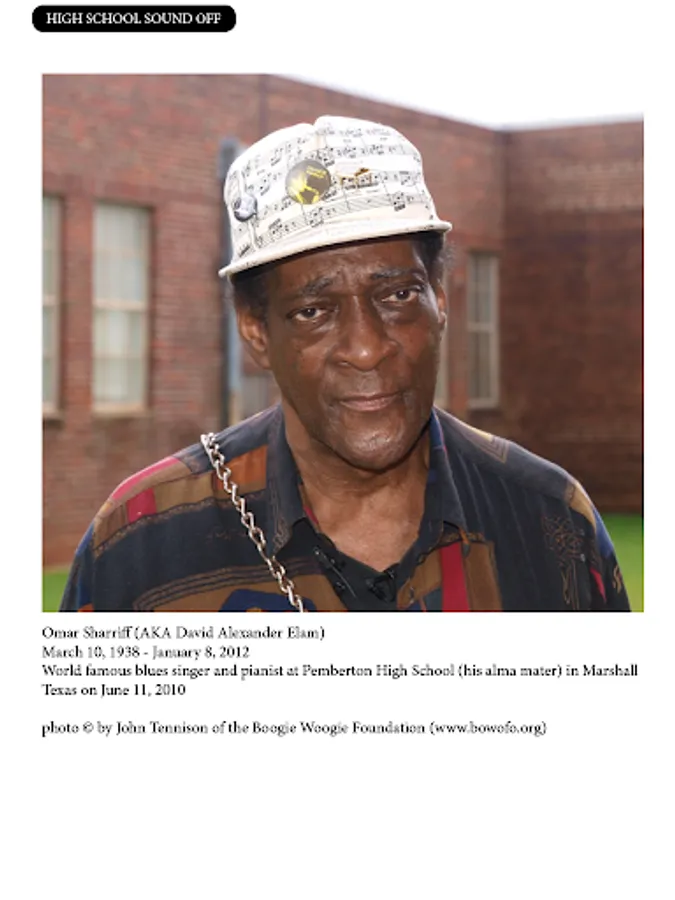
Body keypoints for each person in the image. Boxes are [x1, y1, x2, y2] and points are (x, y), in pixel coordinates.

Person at [60, 115, 630, 613]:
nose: (366, 348)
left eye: (398, 295)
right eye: (313, 311)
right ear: (256, 332)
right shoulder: (140, 546)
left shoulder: (549, 522)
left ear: (440, 300)